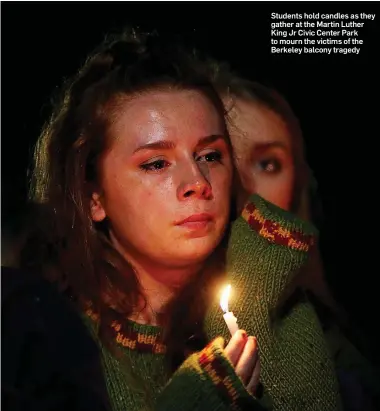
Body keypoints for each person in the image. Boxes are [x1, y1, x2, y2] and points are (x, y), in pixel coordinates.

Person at [2, 27, 340, 411]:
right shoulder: (41, 338)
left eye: (210, 156)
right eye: (156, 163)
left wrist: (260, 301)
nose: (197, 183)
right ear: (94, 197)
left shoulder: (272, 299)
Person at [207, 64, 380, 410]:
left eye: (267, 164)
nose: (242, 184)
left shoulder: (341, 362)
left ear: (297, 185)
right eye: (215, 157)